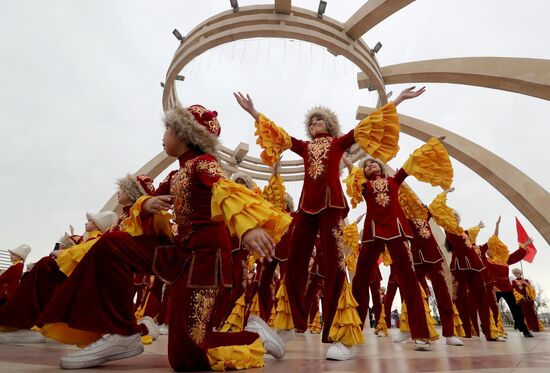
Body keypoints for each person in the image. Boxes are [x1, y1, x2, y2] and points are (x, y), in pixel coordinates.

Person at [36, 104, 291, 371]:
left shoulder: (204, 164)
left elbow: (222, 188)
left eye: (169, 127)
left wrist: (248, 226)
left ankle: (256, 336)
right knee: (112, 245)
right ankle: (123, 331)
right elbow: (148, 199)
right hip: (176, 252)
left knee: (187, 357)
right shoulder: (175, 174)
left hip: (204, 261)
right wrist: (146, 205)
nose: (164, 133)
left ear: (185, 133)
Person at [235, 86, 425, 360]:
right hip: (305, 209)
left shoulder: (339, 143)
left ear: (330, 125)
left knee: (335, 265)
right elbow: (280, 135)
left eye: (319, 120)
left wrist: (397, 100)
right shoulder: (305, 146)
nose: (314, 124)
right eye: (311, 122)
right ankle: (289, 323)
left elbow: (368, 124)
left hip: (332, 206)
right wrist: (254, 112)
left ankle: (343, 335)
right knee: (295, 262)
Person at [345, 135, 452, 351]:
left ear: (382, 167)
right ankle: (352, 332)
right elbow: (352, 171)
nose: (369, 165)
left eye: (373, 162)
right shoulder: (365, 186)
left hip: (396, 231)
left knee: (410, 281)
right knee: (359, 280)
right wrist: (345, 159)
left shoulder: (394, 182)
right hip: (372, 232)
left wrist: (431, 145)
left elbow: (409, 164)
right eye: (366, 165)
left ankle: (420, 334)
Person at [0, 211, 117, 343]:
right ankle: (22, 322)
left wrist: (59, 254)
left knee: (43, 269)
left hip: (63, 278)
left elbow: (72, 258)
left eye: (90, 221)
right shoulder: (90, 240)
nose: (86, 222)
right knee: (40, 275)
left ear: (96, 225)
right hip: (60, 276)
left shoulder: (95, 241)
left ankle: (25, 323)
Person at [428, 190, 501, 342]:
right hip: (459, 266)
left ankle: (490, 332)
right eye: (452, 216)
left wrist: (489, 227)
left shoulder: (465, 232)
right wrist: (444, 193)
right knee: (459, 298)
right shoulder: (449, 229)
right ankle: (463, 332)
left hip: (475, 266)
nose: (454, 218)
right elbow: (437, 208)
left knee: (482, 298)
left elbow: (481, 237)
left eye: (456, 216)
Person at [479, 217, 534, 338]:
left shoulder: (504, 259)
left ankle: (524, 329)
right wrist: (496, 227)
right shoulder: (486, 261)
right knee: (493, 309)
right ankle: (489, 328)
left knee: (516, 309)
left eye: (491, 250)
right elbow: (492, 241)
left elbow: (516, 255)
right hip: (494, 288)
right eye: (487, 251)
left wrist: (524, 245)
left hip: (507, 288)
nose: (489, 252)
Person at [512, 268, 541, 332]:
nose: (516, 274)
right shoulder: (514, 282)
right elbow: (514, 291)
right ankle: (530, 327)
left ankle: (536, 328)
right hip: (522, 299)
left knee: (533, 313)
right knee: (526, 314)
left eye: (517, 273)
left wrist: (526, 284)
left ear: (520, 273)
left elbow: (531, 289)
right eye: (515, 273)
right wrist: (521, 297)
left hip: (529, 299)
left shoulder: (526, 280)